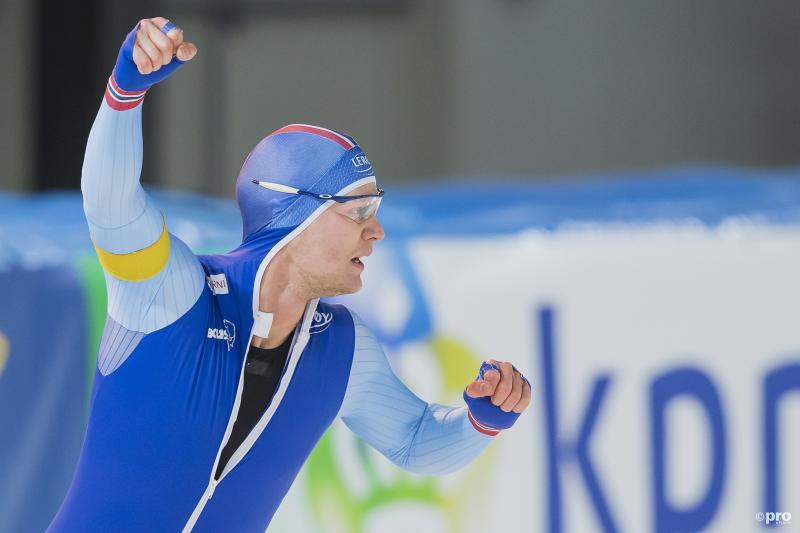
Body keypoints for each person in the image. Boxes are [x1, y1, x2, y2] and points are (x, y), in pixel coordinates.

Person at [48, 17, 532, 532]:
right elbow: (110, 204)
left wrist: (485, 421)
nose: (377, 232)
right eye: (360, 210)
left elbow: (414, 441)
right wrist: (125, 92)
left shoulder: (341, 350)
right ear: (293, 214)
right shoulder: (170, 296)